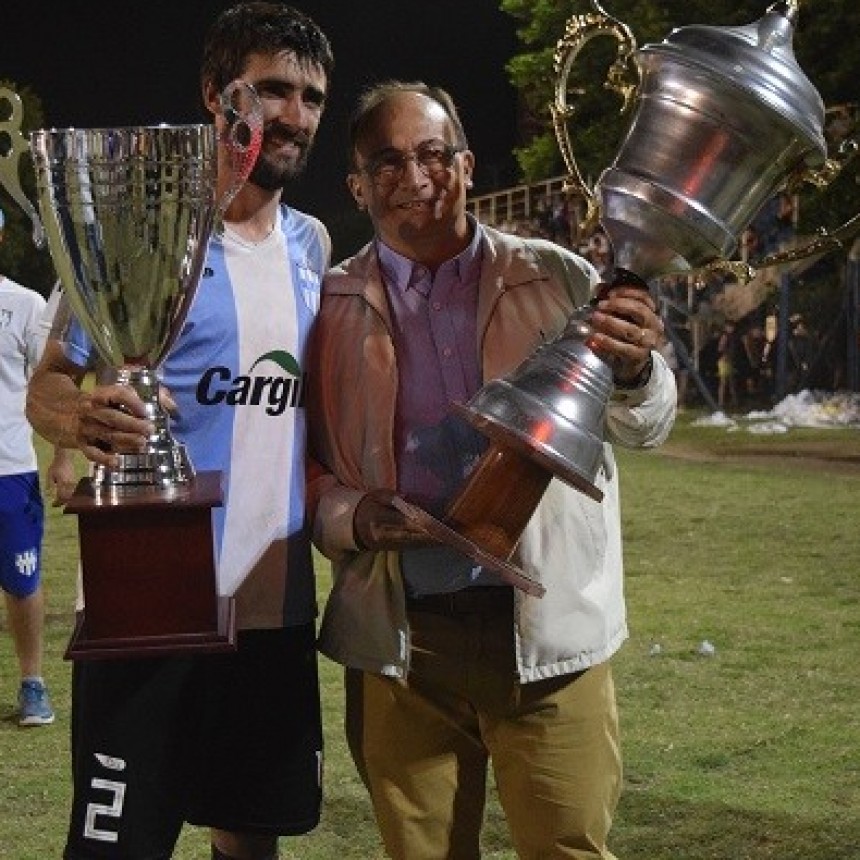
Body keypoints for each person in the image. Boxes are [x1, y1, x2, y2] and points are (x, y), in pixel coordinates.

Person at [307, 81, 676, 860]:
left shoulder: (558, 277)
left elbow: (645, 421)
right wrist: (354, 516)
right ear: (357, 184)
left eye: (434, 154)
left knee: (568, 848)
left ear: (468, 165)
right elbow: (306, 468)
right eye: (389, 161)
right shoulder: (329, 306)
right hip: (404, 643)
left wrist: (641, 368)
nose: (416, 177)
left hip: (546, 640)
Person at [25, 4, 333, 858]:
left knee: (251, 835)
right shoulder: (136, 231)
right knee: (119, 846)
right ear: (215, 93)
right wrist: (77, 417)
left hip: (271, 606)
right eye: (273, 90)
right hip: (146, 605)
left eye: (310, 95)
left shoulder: (312, 245)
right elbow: (46, 384)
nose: (294, 114)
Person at [0, 206, 55, 727]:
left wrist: (62, 455)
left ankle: (32, 682)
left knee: (23, 580)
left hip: (9, 470)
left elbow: (54, 385)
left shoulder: (23, 303)